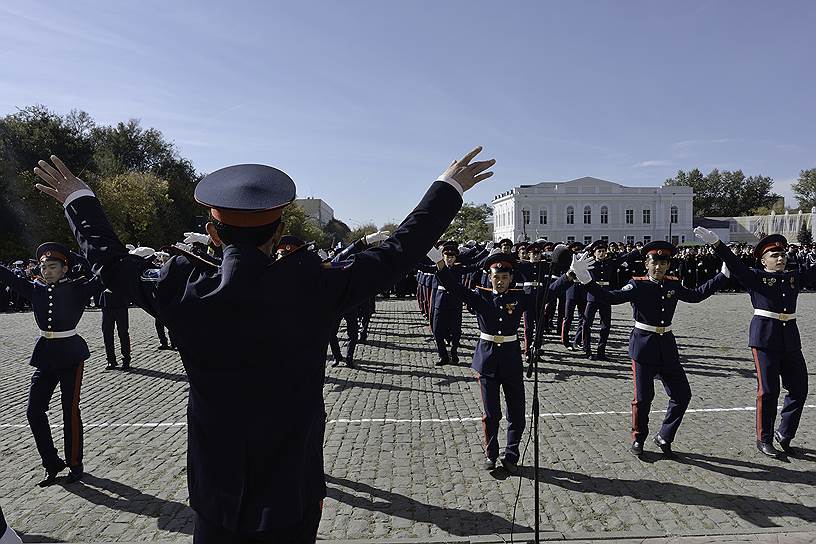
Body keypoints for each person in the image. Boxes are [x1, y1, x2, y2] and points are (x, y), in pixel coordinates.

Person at [34, 147, 494, 543]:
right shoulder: (313, 285)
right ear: (278, 233)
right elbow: (399, 251)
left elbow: (111, 264)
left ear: (213, 234)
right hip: (291, 486)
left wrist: (79, 200)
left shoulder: (184, 289)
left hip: (217, 487)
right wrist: (446, 189)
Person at [578, 241, 727, 457]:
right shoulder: (637, 285)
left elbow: (696, 295)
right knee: (643, 398)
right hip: (643, 345)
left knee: (682, 394)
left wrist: (722, 275)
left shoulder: (673, 284)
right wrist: (586, 280)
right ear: (646, 264)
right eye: (654, 262)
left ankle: (664, 435)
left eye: (663, 263)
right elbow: (610, 297)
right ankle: (639, 438)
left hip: (666, 344)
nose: (659, 267)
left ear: (668, 265)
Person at [435, 252, 574, 473]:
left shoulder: (520, 297)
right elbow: (454, 288)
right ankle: (491, 454)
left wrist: (570, 275)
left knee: (516, 413)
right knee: (491, 414)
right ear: (490, 277)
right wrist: (440, 264)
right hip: (487, 361)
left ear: (511, 279)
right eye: (496, 277)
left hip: (511, 361)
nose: (500, 281)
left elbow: (547, 293)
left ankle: (511, 453)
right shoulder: (480, 297)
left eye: (504, 277)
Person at [695, 227, 816, 457]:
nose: (780, 258)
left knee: (799, 389)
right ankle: (765, 438)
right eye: (774, 256)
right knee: (768, 390)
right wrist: (717, 244)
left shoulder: (793, 277)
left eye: (782, 255)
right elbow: (734, 263)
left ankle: (785, 433)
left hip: (790, 338)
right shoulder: (755, 277)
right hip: (765, 339)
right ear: (763, 261)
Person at [0, 243, 98, 486]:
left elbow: (103, 276)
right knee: (33, 411)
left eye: (53, 267)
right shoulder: (35, 289)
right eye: (43, 267)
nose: (47, 271)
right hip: (45, 355)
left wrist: (79, 257)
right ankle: (51, 462)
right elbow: (6, 274)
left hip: (71, 355)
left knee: (70, 411)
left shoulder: (77, 289)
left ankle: (75, 463)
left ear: (65, 269)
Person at [581, 240, 639, 360]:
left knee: (606, 326)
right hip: (592, 296)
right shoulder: (589, 264)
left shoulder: (609, 263)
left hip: (605, 296)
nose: (602, 253)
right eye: (599, 251)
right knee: (586, 324)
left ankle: (601, 351)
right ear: (594, 253)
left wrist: (637, 251)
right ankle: (587, 350)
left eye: (603, 251)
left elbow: (624, 258)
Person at [99, 284, 131, 370]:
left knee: (123, 333)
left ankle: (126, 359)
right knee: (107, 333)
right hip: (107, 303)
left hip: (120, 303)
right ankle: (111, 360)